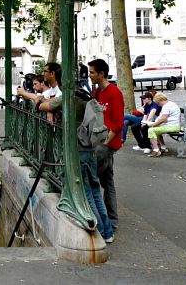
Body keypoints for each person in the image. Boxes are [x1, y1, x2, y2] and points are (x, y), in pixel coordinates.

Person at [39, 89, 113, 243]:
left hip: (79, 151)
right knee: (96, 192)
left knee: (86, 194)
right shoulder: (87, 100)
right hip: (91, 150)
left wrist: (47, 106)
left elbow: (44, 106)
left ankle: (99, 231)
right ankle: (108, 231)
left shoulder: (70, 99)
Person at [88, 58, 124, 233]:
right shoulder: (96, 93)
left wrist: (104, 144)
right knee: (107, 182)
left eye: (92, 72)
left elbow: (118, 123)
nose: (90, 75)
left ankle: (104, 222)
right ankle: (112, 220)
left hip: (105, 145)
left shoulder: (114, 93)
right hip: (100, 143)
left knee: (93, 181)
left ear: (101, 73)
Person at [143, 92, 180, 157]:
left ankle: (156, 150)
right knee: (156, 128)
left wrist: (153, 124)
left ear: (159, 101)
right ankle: (163, 147)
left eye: (157, 103)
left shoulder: (166, 106)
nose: (158, 105)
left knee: (151, 130)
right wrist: (155, 123)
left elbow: (163, 119)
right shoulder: (171, 104)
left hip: (172, 126)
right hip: (174, 125)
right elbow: (163, 119)